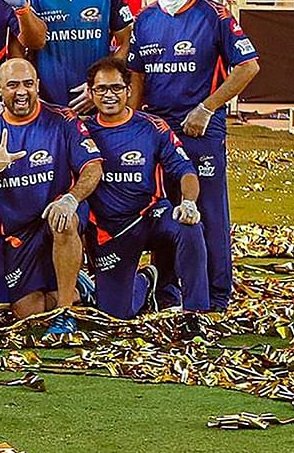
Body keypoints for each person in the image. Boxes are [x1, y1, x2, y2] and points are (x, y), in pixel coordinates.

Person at [126, 0, 259, 311]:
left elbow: (248, 67)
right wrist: (134, 122)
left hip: (200, 129)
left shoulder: (214, 14)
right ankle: (167, 292)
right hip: (158, 129)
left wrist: (207, 107)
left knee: (208, 212)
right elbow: (137, 76)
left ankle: (217, 296)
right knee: (164, 211)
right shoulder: (146, 18)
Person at [0, 57, 102, 333]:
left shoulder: (62, 119)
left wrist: (70, 199)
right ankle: (80, 290)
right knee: (28, 312)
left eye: (28, 84)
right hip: (20, 230)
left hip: (57, 214)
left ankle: (66, 312)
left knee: (64, 219)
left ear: (38, 86)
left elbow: (93, 168)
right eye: (13, 85)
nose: (21, 91)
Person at [79, 56, 208, 322]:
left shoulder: (152, 126)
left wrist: (189, 203)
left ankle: (195, 313)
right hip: (110, 230)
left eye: (116, 87)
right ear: (90, 93)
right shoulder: (80, 130)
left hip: (150, 217)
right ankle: (147, 282)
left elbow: (186, 171)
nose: (109, 95)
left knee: (189, 227)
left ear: (128, 90)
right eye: (101, 89)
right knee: (115, 315)